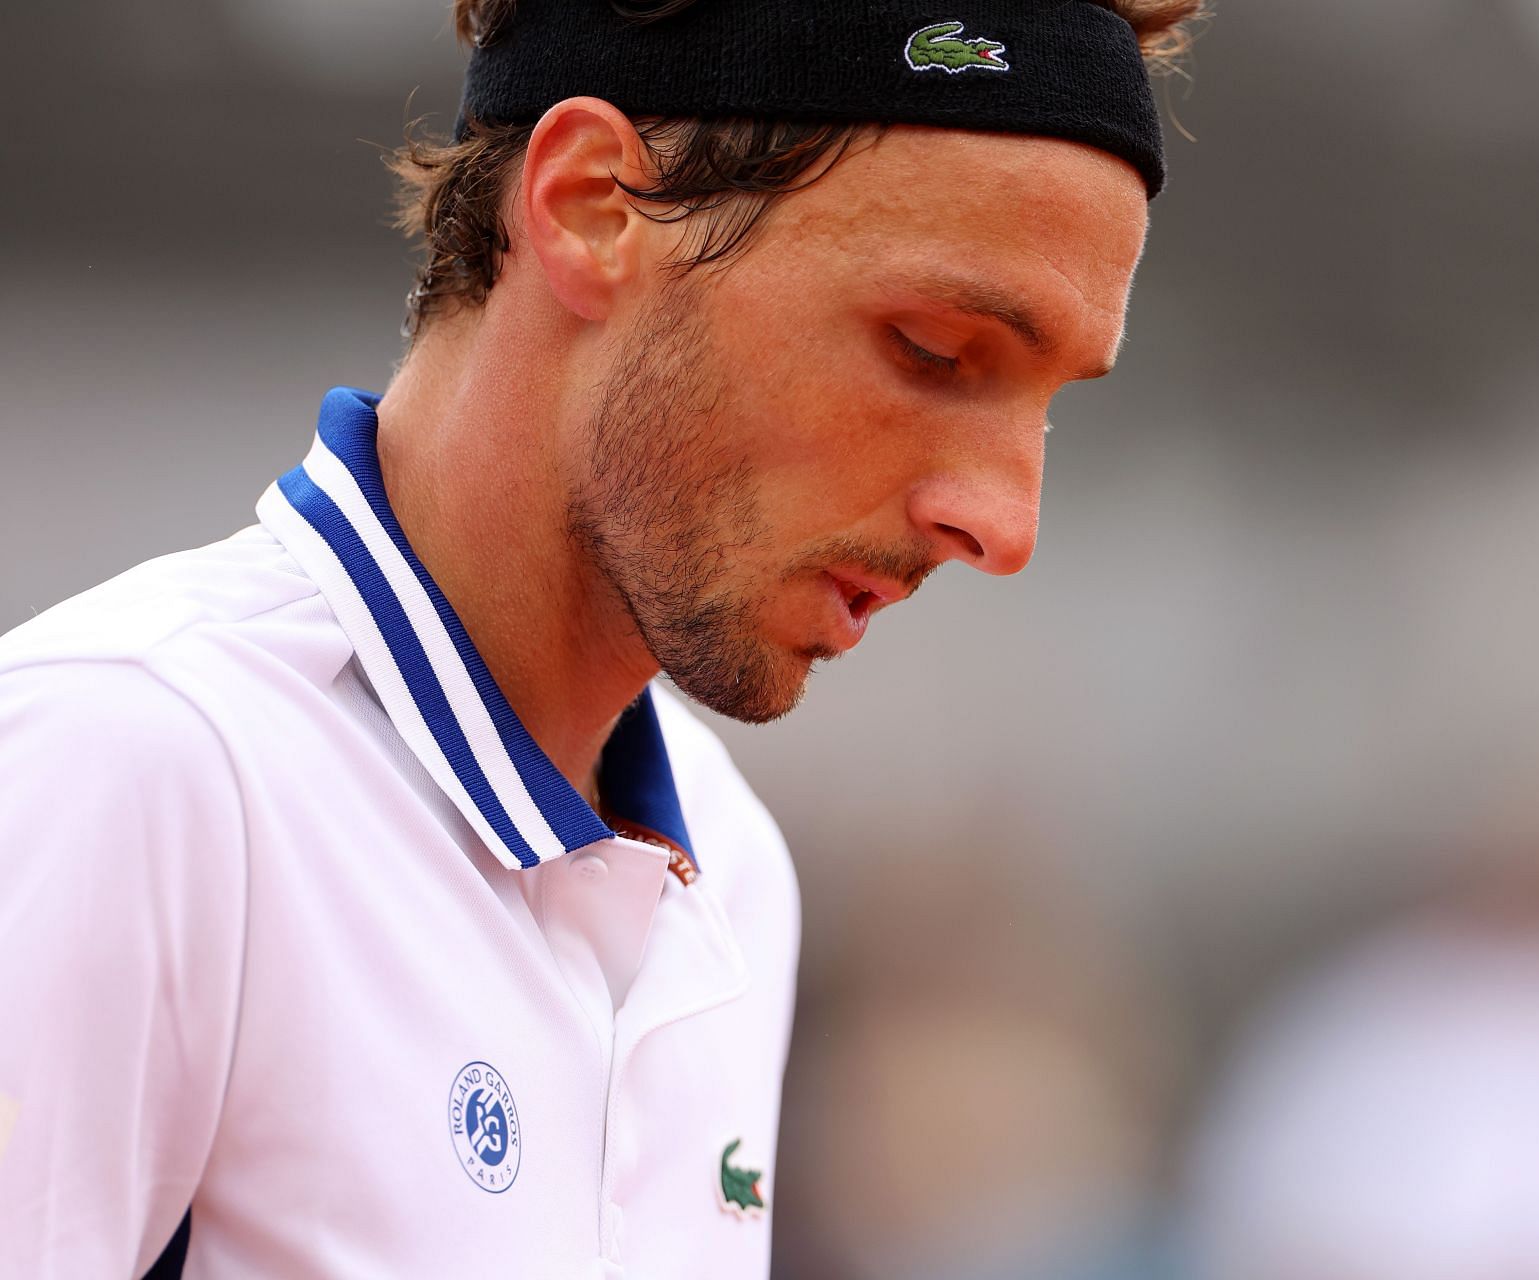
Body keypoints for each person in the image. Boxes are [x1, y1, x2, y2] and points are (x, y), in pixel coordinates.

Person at [0, 0, 1202, 1275]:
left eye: (1047, 403)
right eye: (932, 349)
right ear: (589, 206)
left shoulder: (732, 868)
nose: (1005, 521)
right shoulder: (126, 760)